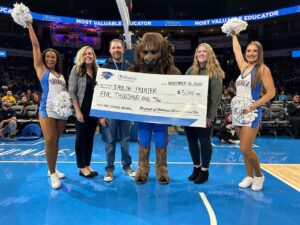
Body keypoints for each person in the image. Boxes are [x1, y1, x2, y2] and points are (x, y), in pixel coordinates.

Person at [231, 33, 275, 191]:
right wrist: (234, 34)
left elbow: (271, 93)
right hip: (238, 111)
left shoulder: (263, 69)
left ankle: (259, 176)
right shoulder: (243, 67)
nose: (250, 53)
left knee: (245, 147)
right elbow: (236, 50)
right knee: (243, 149)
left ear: (259, 53)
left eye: (254, 51)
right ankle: (249, 176)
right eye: (248, 50)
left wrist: (253, 106)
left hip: (252, 112)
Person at [28, 21, 67, 189]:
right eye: (48, 57)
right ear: (44, 59)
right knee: (50, 140)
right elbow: (36, 45)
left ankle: (53, 168)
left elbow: (64, 91)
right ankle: (52, 174)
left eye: (53, 57)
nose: (51, 59)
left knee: (56, 141)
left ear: (57, 59)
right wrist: (30, 25)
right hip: (47, 109)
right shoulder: (41, 70)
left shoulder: (60, 74)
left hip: (62, 111)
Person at [184, 43, 224, 184]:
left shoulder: (215, 73)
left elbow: (215, 97)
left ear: (209, 54)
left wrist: (210, 116)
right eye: (199, 51)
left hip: (205, 116)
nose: (201, 53)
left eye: (204, 51)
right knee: (192, 141)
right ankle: (196, 167)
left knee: (204, 141)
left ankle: (204, 171)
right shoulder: (190, 71)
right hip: (190, 114)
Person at [99, 39, 135, 182]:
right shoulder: (105, 67)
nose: (116, 50)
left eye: (119, 47)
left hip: (125, 111)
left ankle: (127, 166)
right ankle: (109, 169)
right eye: (113, 48)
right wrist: (101, 115)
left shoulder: (129, 67)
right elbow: (100, 92)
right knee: (110, 141)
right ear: (110, 50)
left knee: (125, 141)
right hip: (109, 112)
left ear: (123, 49)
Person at [69, 46, 99, 178]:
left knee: (90, 139)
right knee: (81, 139)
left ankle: (87, 164)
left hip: (94, 112)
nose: (88, 56)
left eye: (90, 54)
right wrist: (78, 111)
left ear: (93, 56)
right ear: (82, 56)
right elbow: (72, 92)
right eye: (85, 54)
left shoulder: (98, 70)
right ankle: (81, 167)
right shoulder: (76, 70)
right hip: (81, 110)